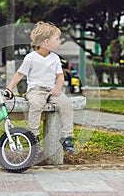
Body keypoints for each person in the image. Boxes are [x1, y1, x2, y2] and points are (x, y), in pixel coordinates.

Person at [4, 21, 74, 154]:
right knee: (36, 105)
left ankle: (67, 137)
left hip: (51, 90)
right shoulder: (30, 58)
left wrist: (58, 89)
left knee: (66, 104)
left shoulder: (55, 58)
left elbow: (60, 76)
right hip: (35, 91)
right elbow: (19, 74)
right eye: (57, 39)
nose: (59, 42)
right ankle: (34, 137)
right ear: (47, 42)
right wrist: (9, 89)